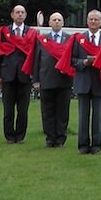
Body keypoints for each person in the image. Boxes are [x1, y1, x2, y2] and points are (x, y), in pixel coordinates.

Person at [0, 5, 37, 144]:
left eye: (22, 12)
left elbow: (35, 55)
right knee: (8, 109)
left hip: (25, 75)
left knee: (23, 109)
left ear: (25, 15)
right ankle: (9, 136)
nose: (20, 15)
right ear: (12, 15)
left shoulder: (31, 33)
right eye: (17, 12)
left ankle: (20, 136)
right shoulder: (3, 32)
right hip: (7, 74)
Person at [67, 9, 101, 154]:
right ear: (87, 21)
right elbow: (71, 60)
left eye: (96, 19)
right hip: (83, 81)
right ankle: (83, 146)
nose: (93, 22)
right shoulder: (78, 39)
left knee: (98, 117)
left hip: (100, 82)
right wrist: (83, 62)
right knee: (83, 116)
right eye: (91, 19)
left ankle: (97, 146)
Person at [32, 12, 73, 148]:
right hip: (46, 80)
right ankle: (50, 138)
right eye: (54, 20)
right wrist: (36, 80)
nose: (56, 22)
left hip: (64, 81)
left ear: (63, 23)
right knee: (47, 111)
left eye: (59, 20)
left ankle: (60, 138)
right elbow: (36, 60)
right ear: (49, 23)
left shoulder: (69, 39)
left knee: (62, 112)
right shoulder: (42, 40)